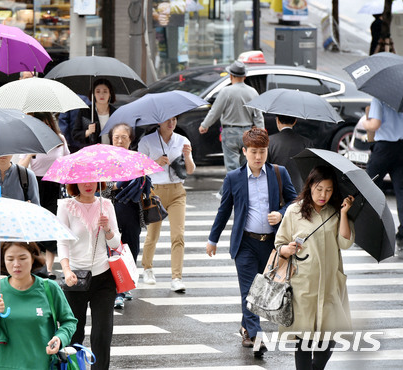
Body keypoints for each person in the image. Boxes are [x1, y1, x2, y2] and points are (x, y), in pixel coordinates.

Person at [205, 127, 297, 357]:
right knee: (248, 291)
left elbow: (295, 201)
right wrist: (212, 239)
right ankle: (256, 336)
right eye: (254, 152)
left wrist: (282, 213)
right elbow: (224, 210)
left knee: (262, 290)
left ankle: (247, 327)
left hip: (271, 245)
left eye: (262, 152)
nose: (258, 157)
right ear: (244, 152)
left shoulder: (279, 172)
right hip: (245, 243)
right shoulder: (234, 178)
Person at [275, 165, 355, 369]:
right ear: (310, 186)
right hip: (303, 286)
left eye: (328, 190)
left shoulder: (336, 212)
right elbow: (279, 244)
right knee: (304, 340)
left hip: (330, 285)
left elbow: (345, 243)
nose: (323, 195)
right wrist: (287, 249)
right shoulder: (294, 211)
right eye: (319, 189)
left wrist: (344, 213)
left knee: (329, 338)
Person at [0, 241, 77, 370]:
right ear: (3, 261)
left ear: (33, 258)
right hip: (5, 366)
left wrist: (60, 338)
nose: (16, 264)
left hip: (42, 365)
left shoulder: (49, 288)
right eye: (10, 259)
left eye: (22, 258)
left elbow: (69, 322)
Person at [57, 182, 121, 370]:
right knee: (74, 334)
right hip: (75, 278)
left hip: (103, 277)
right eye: (83, 180)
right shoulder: (65, 206)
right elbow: (62, 242)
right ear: (75, 183)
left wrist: (107, 228)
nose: (88, 184)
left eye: (92, 179)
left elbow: (116, 243)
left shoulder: (106, 205)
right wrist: (66, 270)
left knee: (102, 333)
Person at [138, 116, 195, 292]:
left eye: (174, 120)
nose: (171, 123)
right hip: (155, 191)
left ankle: (176, 277)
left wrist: (187, 155)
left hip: (177, 191)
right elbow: (139, 169)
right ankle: (147, 268)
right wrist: (156, 163)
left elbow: (191, 170)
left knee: (178, 235)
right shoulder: (147, 141)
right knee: (152, 235)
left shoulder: (182, 140)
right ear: (158, 122)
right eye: (167, 120)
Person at [19, 112, 70, 278]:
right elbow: (21, 167)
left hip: (55, 185)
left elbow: (68, 161)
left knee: (52, 226)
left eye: (46, 124)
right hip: (35, 184)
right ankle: (38, 264)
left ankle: (48, 268)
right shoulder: (28, 141)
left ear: (51, 124)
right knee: (36, 226)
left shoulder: (60, 139)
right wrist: (29, 152)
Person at [103, 123, 144, 308]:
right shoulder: (105, 160)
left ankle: (126, 283)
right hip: (112, 208)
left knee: (131, 247)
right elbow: (101, 189)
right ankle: (117, 291)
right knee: (113, 249)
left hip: (132, 209)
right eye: (116, 137)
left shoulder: (137, 159)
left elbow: (145, 186)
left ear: (130, 139)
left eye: (123, 137)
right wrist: (117, 185)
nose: (119, 141)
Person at [198, 61, 264, 174]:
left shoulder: (226, 92)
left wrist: (205, 125)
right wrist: (261, 131)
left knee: (232, 168)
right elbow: (258, 116)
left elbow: (215, 112)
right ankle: (243, 190)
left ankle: (229, 191)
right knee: (246, 167)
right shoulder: (253, 92)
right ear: (244, 76)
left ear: (231, 76)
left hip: (230, 132)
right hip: (248, 133)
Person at [364, 97, 403, 253]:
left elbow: (375, 124)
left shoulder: (379, 98)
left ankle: (370, 230)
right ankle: (402, 235)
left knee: (369, 188)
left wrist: (365, 123)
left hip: (384, 148)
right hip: (402, 147)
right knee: (401, 192)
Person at [267, 115, 312, 193]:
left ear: (277, 121)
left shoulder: (269, 141)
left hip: (277, 190)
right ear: (295, 121)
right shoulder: (307, 143)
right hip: (299, 191)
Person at [72, 79, 117, 146]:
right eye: (98, 92)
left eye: (105, 92)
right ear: (93, 94)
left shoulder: (115, 113)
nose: (101, 95)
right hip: (91, 152)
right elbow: (75, 135)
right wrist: (88, 132)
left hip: (111, 150)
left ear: (110, 94)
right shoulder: (85, 111)